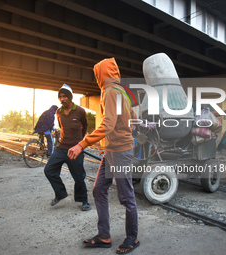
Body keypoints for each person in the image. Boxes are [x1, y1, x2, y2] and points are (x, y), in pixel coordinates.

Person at [68, 58, 140, 254]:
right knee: (99, 189)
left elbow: (107, 124)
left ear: (102, 74)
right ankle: (104, 235)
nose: (96, 77)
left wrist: (82, 144)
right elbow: (131, 117)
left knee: (126, 197)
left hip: (120, 153)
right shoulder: (121, 91)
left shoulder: (110, 92)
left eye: (97, 73)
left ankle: (132, 238)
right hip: (112, 151)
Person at [44, 84, 91, 211]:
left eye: (65, 96)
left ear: (70, 97)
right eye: (60, 97)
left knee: (79, 177)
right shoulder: (58, 112)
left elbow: (85, 126)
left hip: (75, 149)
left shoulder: (80, 111)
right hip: (61, 148)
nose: (62, 99)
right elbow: (61, 126)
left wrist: (79, 143)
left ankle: (84, 201)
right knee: (49, 170)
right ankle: (60, 194)